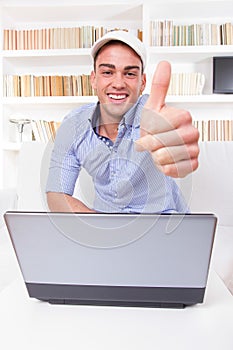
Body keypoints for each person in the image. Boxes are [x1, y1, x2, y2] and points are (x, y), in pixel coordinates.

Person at [46, 30, 199, 213]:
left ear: (142, 83)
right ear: (93, 79)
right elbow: (56, 195)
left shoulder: (152, 115)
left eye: (130, 74)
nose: (118, 83)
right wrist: (100, 226)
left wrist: (176, 146)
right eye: (108, 72)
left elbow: (171, 130)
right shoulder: (73, 125)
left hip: (162, 225)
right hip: (103, 230)